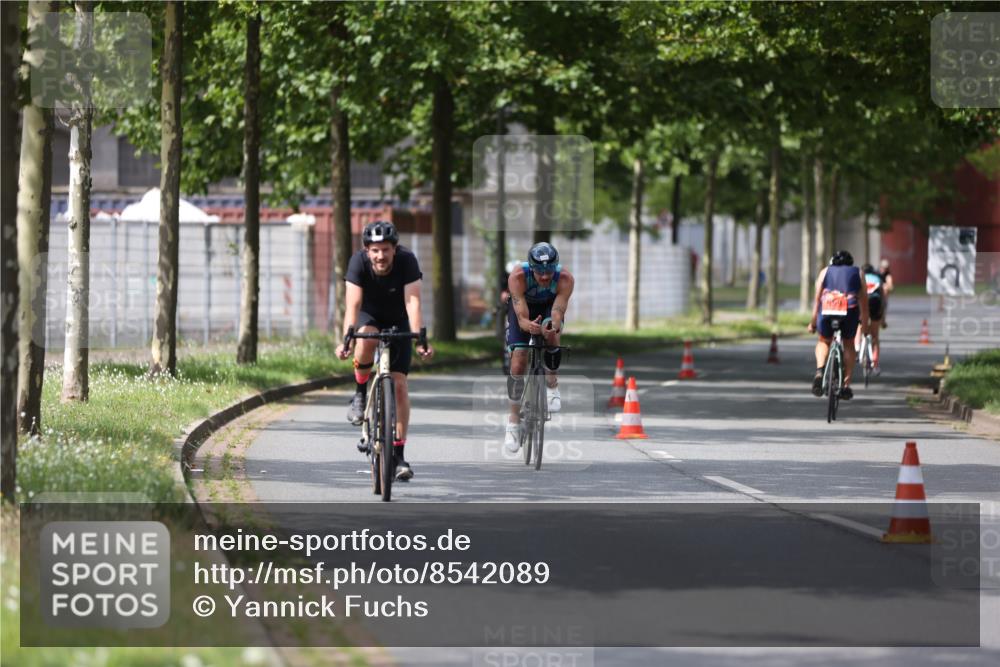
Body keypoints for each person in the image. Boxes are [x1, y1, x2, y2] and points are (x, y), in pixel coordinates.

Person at [336, 221, 434, 481]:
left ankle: (399, 455)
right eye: (375, 250)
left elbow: (413, 303)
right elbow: (353, 305)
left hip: (398, 318)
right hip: (369, 315)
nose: (381, 255)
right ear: (367, 250)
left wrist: (420, 339)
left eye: (386, 250)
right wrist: (347, 339)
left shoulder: (407, 261)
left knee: (400, 386)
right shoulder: (357, 263)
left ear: (394, 249)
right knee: (366, 338)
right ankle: (360, 393)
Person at [504, 242, 575, 453]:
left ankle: (552, 383)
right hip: (523, 309)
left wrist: (550, 326)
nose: (544, 277)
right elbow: (522, 318)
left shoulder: (565, 279)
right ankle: (513, 422)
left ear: (556, 267)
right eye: (539, 272)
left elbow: (557, 311)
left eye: (549, 271)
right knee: (518, 363)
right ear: (531, 268)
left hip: (548, 307)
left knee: (553, 334)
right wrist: (529, 326)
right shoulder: (517, 277)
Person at [808, 250, 869, 400]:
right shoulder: (858, 273)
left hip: (828, 309)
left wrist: (813, 322)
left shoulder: (825, 272)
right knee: (848, 344)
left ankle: (819, 371)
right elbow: (864, 304)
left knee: (823, 341)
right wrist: (865, 328)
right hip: (849, 309)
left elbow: (817, 299)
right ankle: (846, 385)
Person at [856, 263, 885, 374]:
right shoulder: (877, 278)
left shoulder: (859, 277)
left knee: (859, 325)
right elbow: (883, 298)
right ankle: (875, 364)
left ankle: (857, 348)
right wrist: (882, 319)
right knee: (875, 336)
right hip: (875, 302)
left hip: (862, 302)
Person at [879, 258, 894, 329]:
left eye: (885, 268)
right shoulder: (877, 274)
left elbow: (890, 287)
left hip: (883, 297)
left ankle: (882, 321)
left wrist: (885, 286)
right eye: (882, 267)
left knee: (882, 310)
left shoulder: (888, 276)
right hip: (877, 296)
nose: (883, 269)